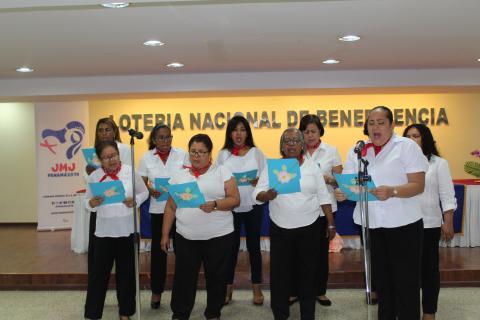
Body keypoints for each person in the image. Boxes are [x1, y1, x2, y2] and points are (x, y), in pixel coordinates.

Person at [335, 106, 429, 320]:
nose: (375, 127)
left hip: (404, 224)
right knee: (382, 283)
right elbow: (352, 184)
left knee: (406, 283)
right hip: (372, 225)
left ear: (391, 124)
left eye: (380, 122)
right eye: (371, 123)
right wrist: (343, 193)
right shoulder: (357, 150)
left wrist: (393, 191)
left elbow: (418, 184)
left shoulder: (406, 147)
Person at [254, 128, 335, 320]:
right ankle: (280, 315)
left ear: (302, 145)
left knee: (308, 273)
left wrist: (330, 223)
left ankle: (308, 315)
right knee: (280, 275)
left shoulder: (312, 167)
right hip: (281, 228)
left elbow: (324, 196)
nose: (291, 144)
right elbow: (257, 193)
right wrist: (268, 195)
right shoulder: (271, 167)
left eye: (295, 141)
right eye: (287, 141)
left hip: (309, 227)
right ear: (282, 146)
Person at [160, 134, 240, 320]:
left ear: (209, 153)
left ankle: (213, 312)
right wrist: (165, 234)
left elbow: (235, 199)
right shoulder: (180, 175)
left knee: (216, 277)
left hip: (219, 236)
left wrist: (215, 204)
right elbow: (171, 207)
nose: (196, 156)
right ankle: (180, 312)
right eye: (193, 152)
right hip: (186, 237)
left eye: (201, 152)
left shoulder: (222, 172)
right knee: (184, 277)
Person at [84, 140, 149, 320]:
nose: (111, 160)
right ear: (100, 160)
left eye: (114, 155)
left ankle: (125, 313)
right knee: (99, 276)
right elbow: (86, 201)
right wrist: (92, 203)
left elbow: (144, 192)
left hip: (126, 230)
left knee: (126, 274)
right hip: (104, 232)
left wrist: (135, 200)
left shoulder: (130, 172)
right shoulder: (95, 176)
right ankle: (93, 313)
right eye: (106, 157)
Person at [403, 123, 456, 320]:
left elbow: (447, 196)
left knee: (429, 271)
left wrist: (448, 221)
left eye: (415, 136)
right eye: (407, 136)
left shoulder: (439, 164)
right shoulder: (400, 164)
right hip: (404, 225)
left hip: (429, 224)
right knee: (406, 271)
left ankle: (429, 311)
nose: (411, 140)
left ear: (424, 138)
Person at [217, 115, 266, 306]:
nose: (239, 134)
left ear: (248, 132)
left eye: (243, 129)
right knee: (230, 249)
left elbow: (266, 178)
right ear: (230, 133)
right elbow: (217, 179)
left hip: (253, 205)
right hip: (231, 207)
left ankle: (257, 288)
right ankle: (227, 288)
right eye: (235, 130)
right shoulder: (223, 155)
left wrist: (258, 182)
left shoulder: (256, 153)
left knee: (254, 247)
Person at [138, 124, 188, 309]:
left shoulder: (182, 154)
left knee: (183, 253)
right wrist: (150, 190)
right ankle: (156, 292)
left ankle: (181, 292)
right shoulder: (146, 157)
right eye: (161, 137)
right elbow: (141, 183)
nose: (165, 141)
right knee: (159, 255)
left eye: (168, 137)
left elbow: (189, 176)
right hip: (158, 210)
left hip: (180, 209)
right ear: (153, 139)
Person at [298, 114, 342, 306]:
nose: (310, 135)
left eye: (313, 131)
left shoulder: (331, 151)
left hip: (325, 209)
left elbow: (342, 180)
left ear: (320, 132)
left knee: (320, 253)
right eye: (306, 132)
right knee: (298, 252)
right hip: (300, 209)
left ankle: (320, 291)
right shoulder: (295, 152)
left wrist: (328, 179)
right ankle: (295, 291)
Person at [86, 118, 132, 287]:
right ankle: (96, 293)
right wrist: (90, 172)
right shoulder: (92, 151)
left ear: (114, 132)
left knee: (124, 261)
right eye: (100, 130)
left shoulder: (124, 148)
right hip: (101, 207)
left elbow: (126, 174)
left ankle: (125, 302)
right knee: (97, 256)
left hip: (120, 207)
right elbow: (89, 182)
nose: (103, 133)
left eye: (107, 129)